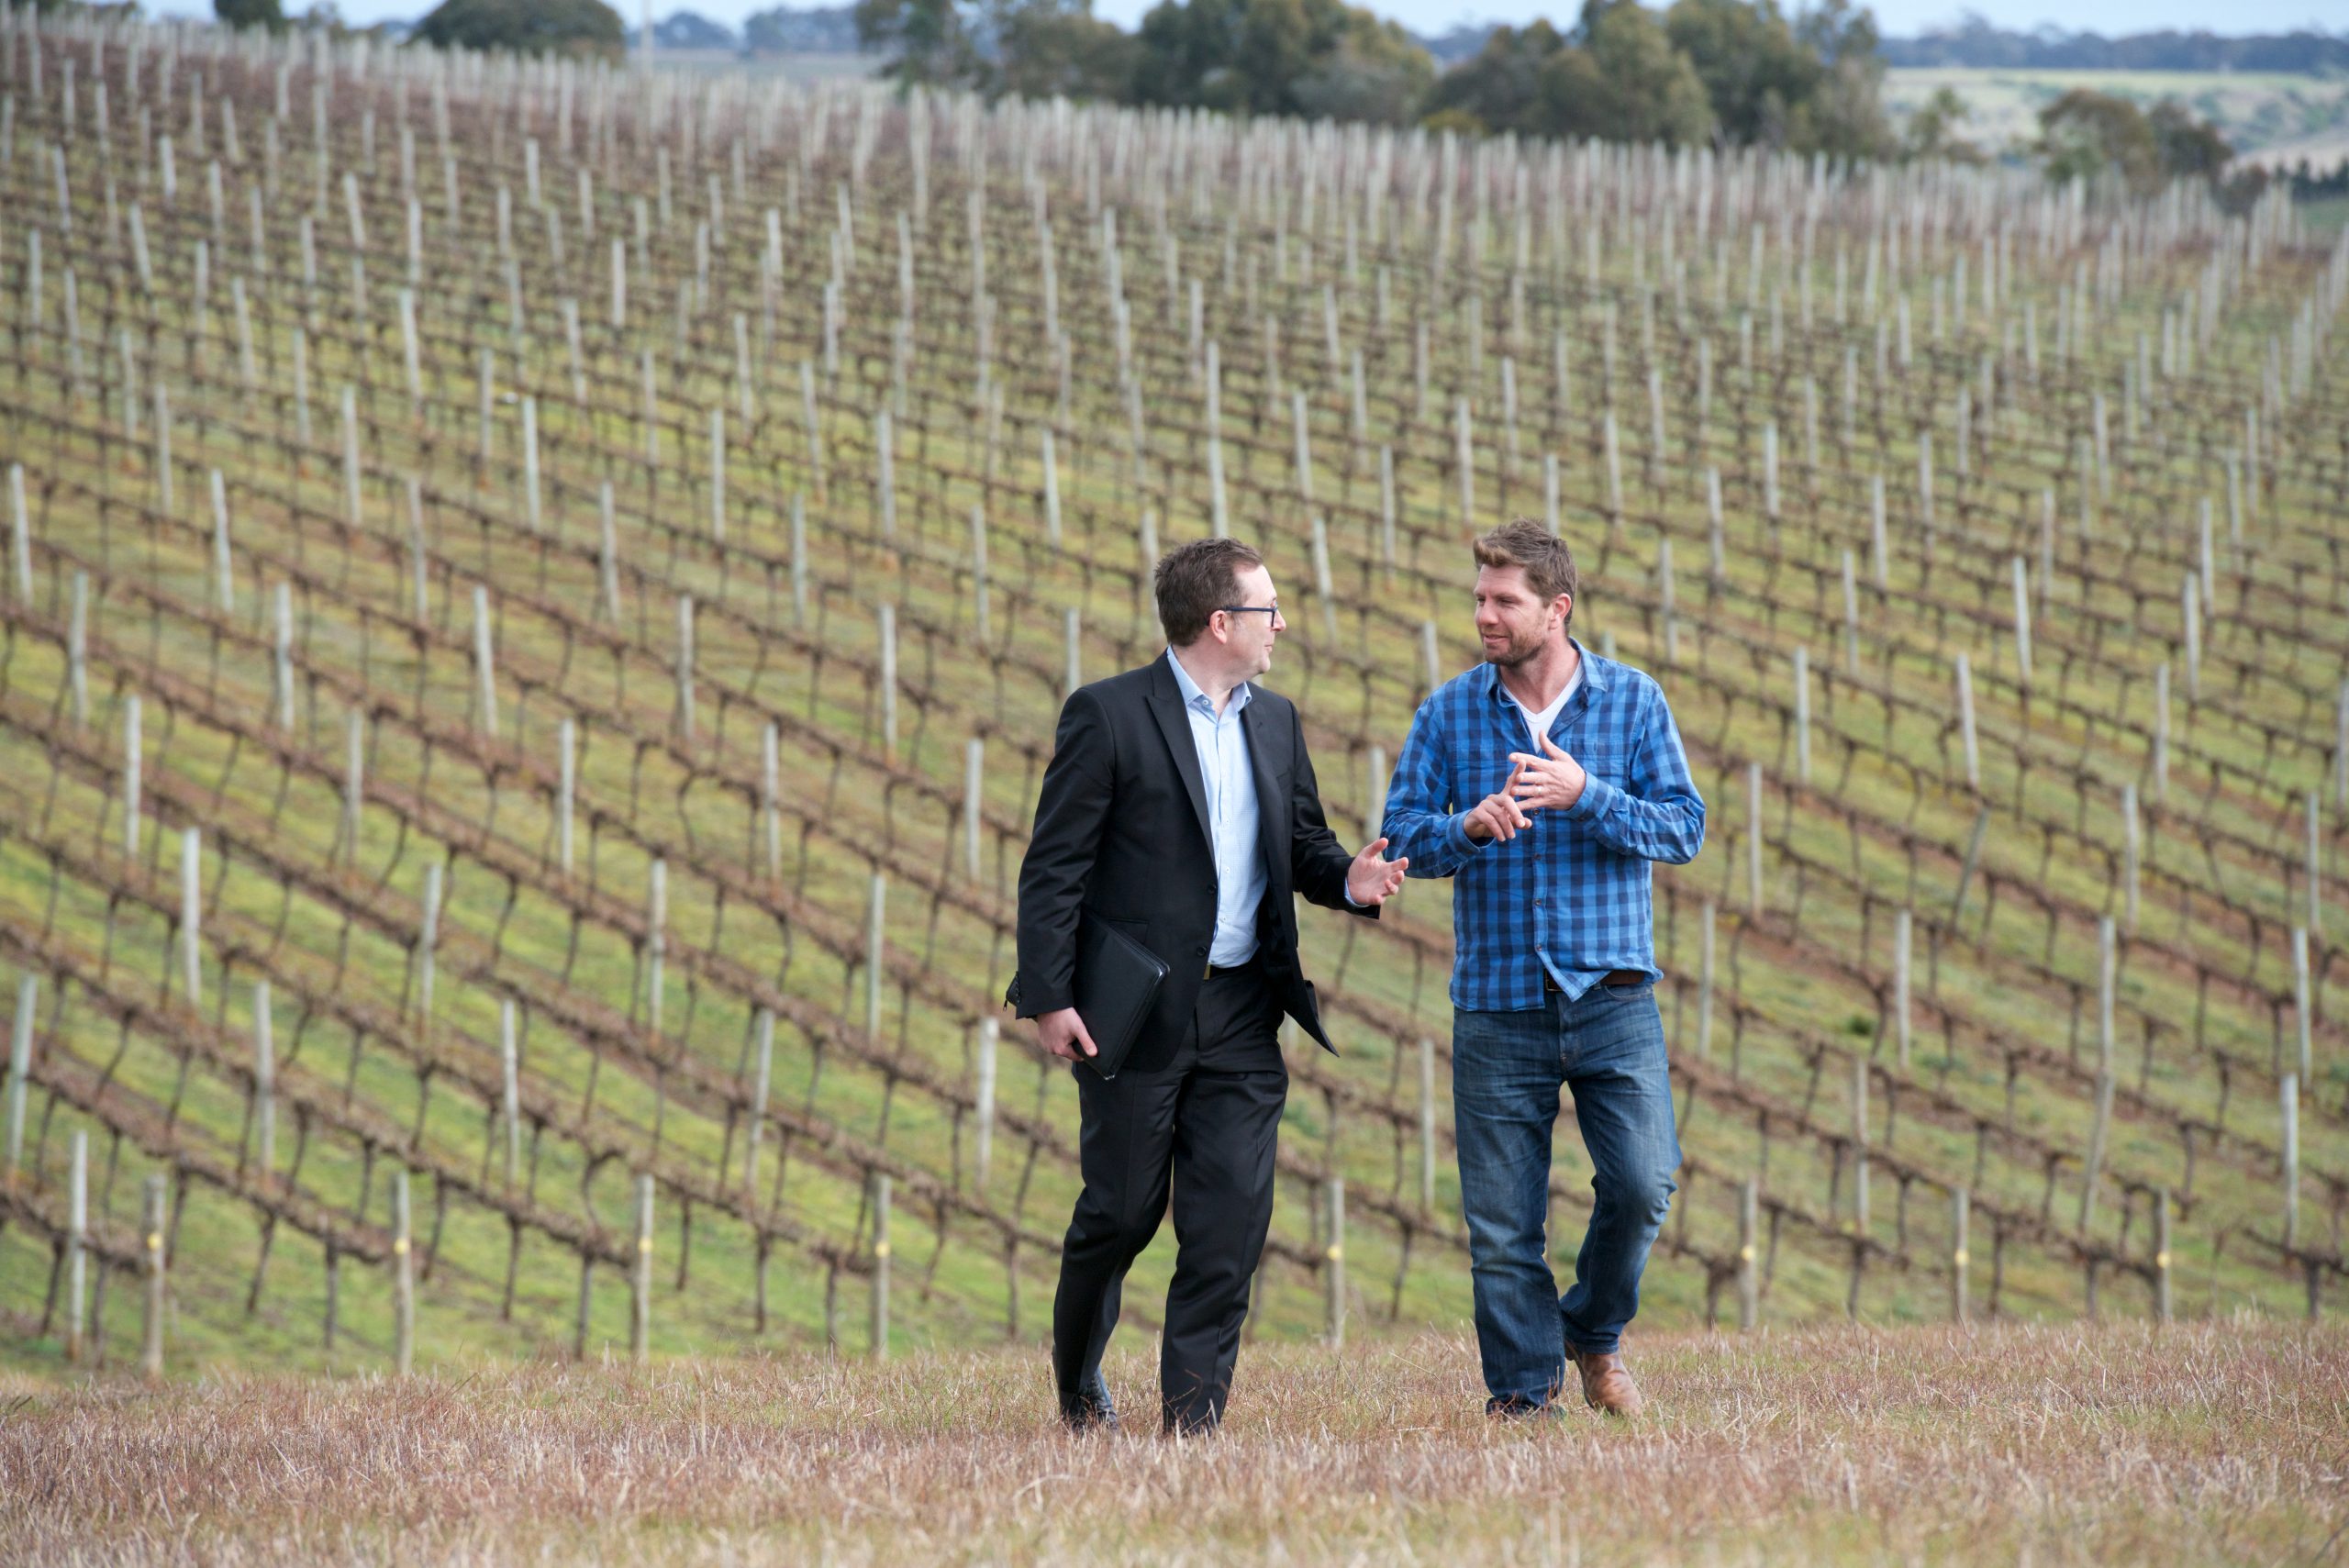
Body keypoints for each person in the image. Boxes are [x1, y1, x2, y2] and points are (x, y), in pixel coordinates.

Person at [1009, 537, 1408, 1436]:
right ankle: (1077, 1379)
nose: (1282, 625)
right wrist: (1048, 995)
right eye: (1269, 609)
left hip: (1242, 1009)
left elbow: (1302, 844)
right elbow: (1054, 868)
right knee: (1120, 1215)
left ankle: (1191, 1428)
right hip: (1132, 1012)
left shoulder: (1277, 722)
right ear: (1221, 622)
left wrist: (1348, 879)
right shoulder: (1108, 714)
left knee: (1229, 1223)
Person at [1382, 518, 1705, 1418]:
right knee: (1500, 1227)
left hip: (1613, 996)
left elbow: (1685, 826)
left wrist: (1586, 794)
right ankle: (1523, 1401)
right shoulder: (1448, 712)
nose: (1484, 614)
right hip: (1497, 1002)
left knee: (1644, 1183)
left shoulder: (1633, 701)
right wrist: (1464, 827)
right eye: (1479, 598)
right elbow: (1401, 835)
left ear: (1556, 608)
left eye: (1504, 600)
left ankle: (1592, 1330)